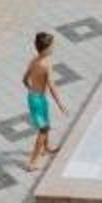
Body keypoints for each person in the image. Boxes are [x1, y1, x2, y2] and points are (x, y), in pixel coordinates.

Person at [23, 32, 65, 173]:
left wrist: (32, 90)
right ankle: (32, 162)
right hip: (39, 100)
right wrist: (60, 104)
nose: (54, 48)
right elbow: (52, 87)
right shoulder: (46, 65)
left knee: (46, 123)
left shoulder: (34, 61)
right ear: (46, 48)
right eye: (52, 46)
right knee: (43, 129)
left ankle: (46, 148)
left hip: (34, 97)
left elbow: (24, 79)